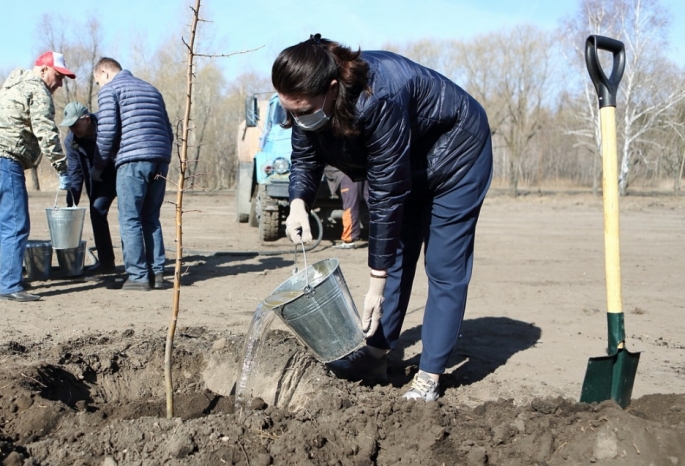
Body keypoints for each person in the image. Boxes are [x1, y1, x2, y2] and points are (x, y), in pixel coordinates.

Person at [272, 34, 493, 401]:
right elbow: (305, 158)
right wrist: (298, 204)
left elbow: (387, 194)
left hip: (457, 153)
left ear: (331, 89)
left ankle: (429, 377)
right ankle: (374, 355)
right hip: (409, 158)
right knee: (395, 253)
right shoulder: (303, 98)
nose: (295, 118)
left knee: (442, 264)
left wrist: (376, 285)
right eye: (289, 109)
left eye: (303, 110)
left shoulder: (379, 97)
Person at [92, 57, 173, 291]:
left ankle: (137, 276)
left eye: (98, 81)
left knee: (130, 218)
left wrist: (98, 166)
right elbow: (168, 130)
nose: (100, 86)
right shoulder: (151, 89)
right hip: (160, 159)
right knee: (151, 217)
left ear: (105, 73)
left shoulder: (111, 90)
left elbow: (107, 131)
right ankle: (157, 274)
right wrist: (162, 155)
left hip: (133, 160)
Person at [0, 51, 75, 302]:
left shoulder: (11, 87)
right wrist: (62, 168)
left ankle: (6, 277)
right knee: (15, 224)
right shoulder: (38, 91)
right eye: (58, 76)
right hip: (6, 160)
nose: (60, 83)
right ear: (43, 70)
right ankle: (9, 285)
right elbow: (46, 133)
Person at [61, 102, 117, 274]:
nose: (73, 130)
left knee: (133, 214)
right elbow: (76, 173)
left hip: (121, 170)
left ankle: (143, 263)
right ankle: (107, 263)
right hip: (99, 180)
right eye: (69, 127)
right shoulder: (71, 141)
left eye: (75, 125)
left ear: (86, 119)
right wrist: (71, 203)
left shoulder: (107, 123)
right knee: (96, 211)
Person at [324, 166, 368, 249]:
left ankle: (349, 239)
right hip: (360, 171)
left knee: (350, 207)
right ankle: (387, 233)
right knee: (374, 204)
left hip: (347, 174)